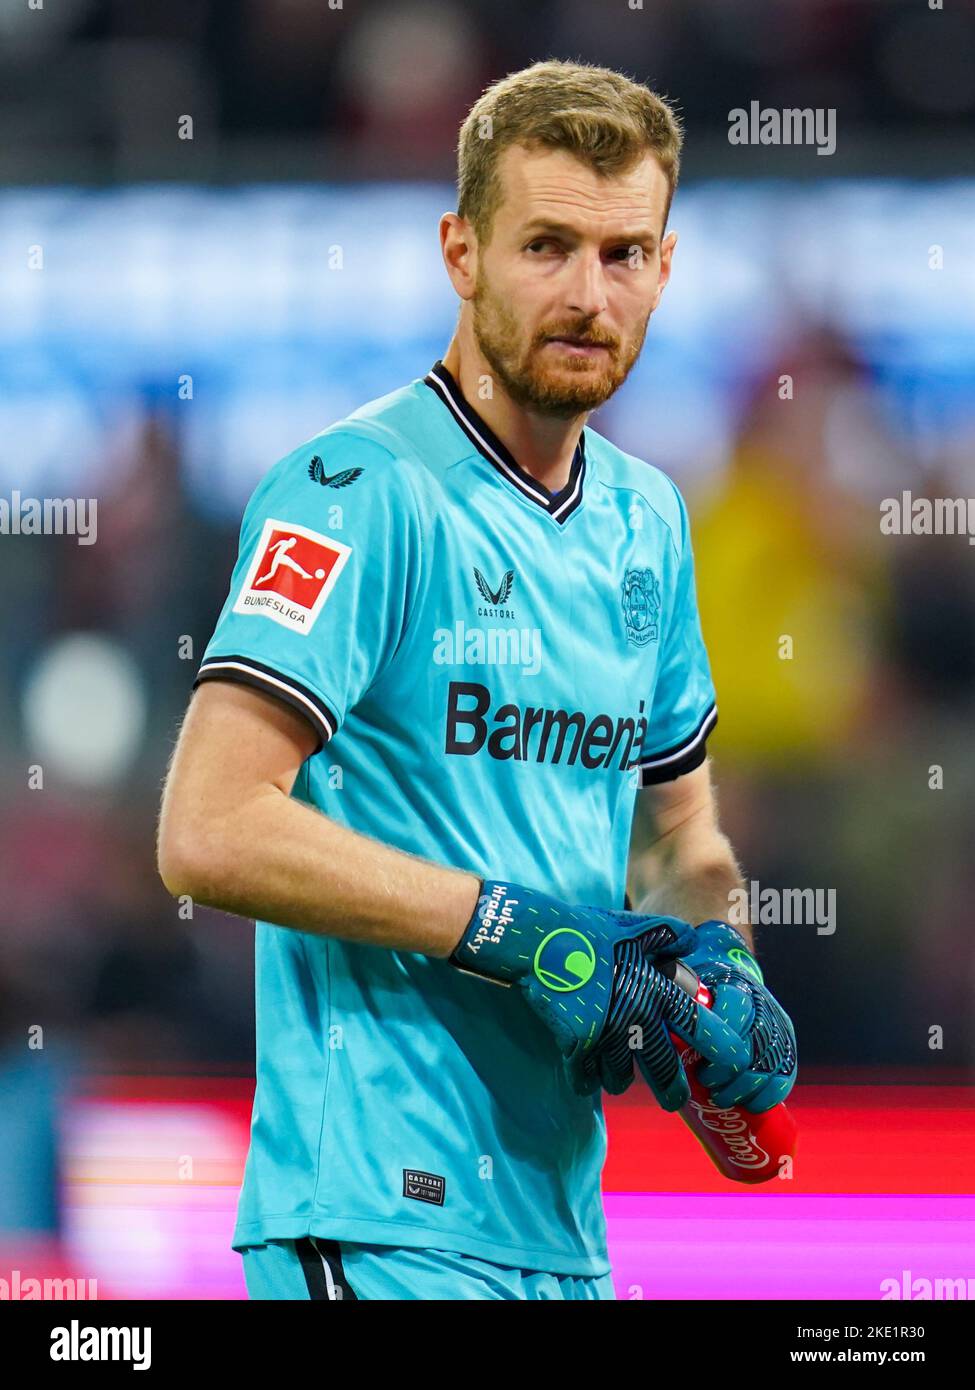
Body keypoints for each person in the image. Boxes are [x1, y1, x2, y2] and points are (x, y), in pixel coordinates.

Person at [157, 59, 797, 1303]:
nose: (586, 293)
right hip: (376, 1215)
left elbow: (679, 838)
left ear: (666, 268)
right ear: (460, 252)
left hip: (562, 1232)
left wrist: (727, 966)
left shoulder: (648, 521)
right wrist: (525, 935)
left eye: (622, 254)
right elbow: (207, 828)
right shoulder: (356, 492)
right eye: (545, 245)